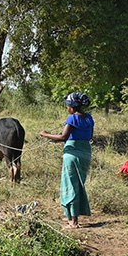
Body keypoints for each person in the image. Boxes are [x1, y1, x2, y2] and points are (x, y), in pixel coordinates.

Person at [39, 92, 94, 228]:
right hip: (86, 153)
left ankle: (74, 222)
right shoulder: (89, 118)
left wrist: (46, 134)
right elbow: (89, 136)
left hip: (72, 155)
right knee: (79, 184)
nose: (67, 108)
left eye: (67, 106)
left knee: (71, 186)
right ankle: (70, 215)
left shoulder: (72, 118)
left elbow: (63, 137)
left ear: (71, 107)